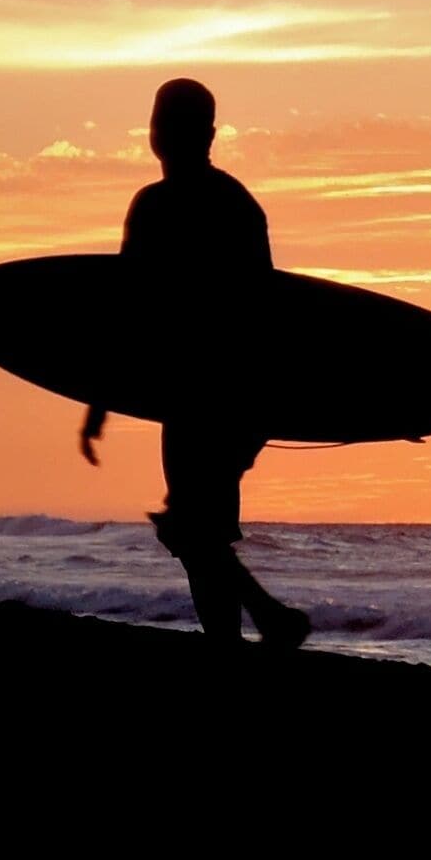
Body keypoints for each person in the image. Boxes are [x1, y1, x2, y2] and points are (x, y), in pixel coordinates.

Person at [78, 78, 311, 648]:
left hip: (227, 396)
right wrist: (99, 401)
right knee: (197, 534)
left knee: (193, 529)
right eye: (160, 123)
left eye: (177, 124)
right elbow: (128, 309)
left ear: (207, 134)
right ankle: (237, 638)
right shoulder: (155, 205)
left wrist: (267, 414)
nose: (165, 135)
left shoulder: (229, 207)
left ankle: (270, 619)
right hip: (183, 398)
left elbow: (265, 315)